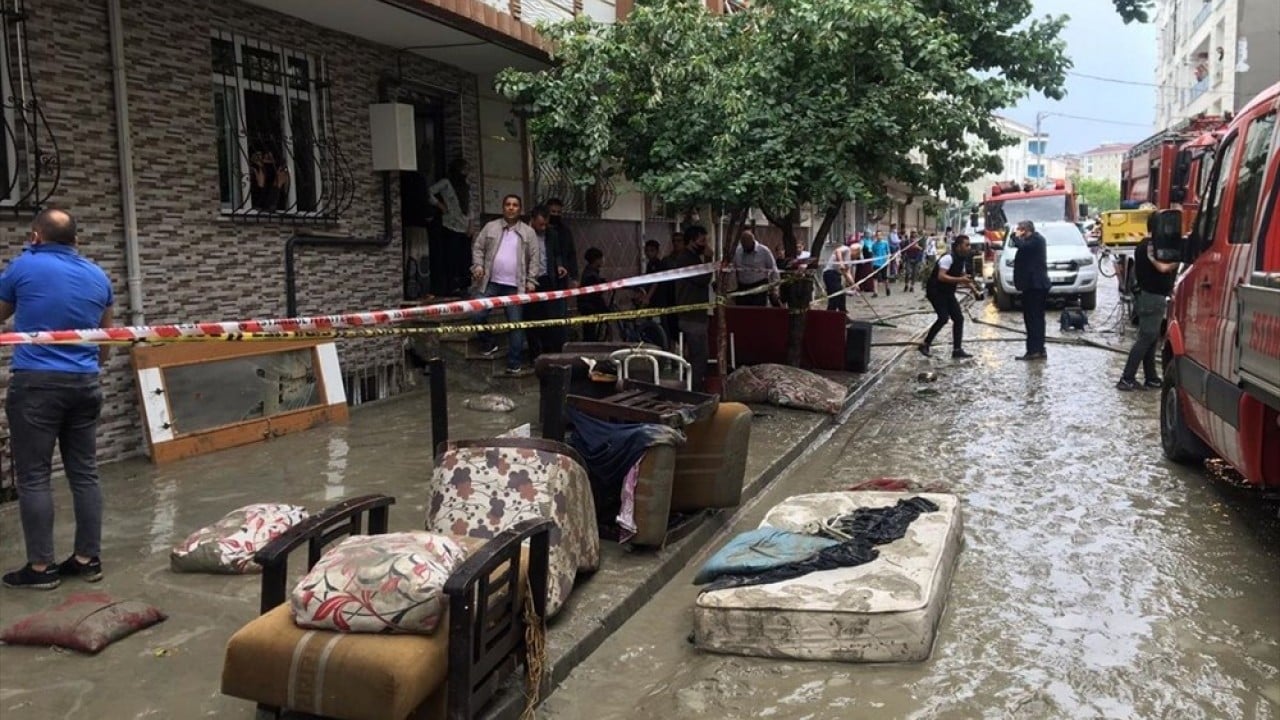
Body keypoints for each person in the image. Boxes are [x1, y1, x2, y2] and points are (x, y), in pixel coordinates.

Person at [1, 209, 113, 589]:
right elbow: (106, 346)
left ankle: (41, 569)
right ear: (76, 241)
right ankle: (86, 560)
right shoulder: (98, 276)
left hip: (36, 386)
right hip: (85, 384)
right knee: (84, 472)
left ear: (35, 237)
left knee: (34, 477)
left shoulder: (22, 267)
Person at [471, 194, 543, 374]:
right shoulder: (491, 227)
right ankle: (488, 343)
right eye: (508, 205)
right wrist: (478, 266)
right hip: (490, 281)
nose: (511, 208)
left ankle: (514, 363)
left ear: (520, 209)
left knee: (515, 324)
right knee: (476, 314)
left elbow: (535, 259)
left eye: (515, 205)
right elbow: (478, 247)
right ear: (503, 208)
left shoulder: (528, 232)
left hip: (515, 286)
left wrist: (531, 281)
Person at [1117, 216, 1178, 391]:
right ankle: (1127, 378)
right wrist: (1179, 260)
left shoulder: (1142, 245)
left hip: (1148, 297)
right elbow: (1162, 268)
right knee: (1146, 338)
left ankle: (1151, 377)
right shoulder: (1151, 246)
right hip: (1152, 298)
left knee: (1151, 339)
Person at [526, 205, 577, 356]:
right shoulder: (523, 234)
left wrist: (559, 265)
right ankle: (535, 353)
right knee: (532, 319)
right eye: (540, 224)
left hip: (547, 279)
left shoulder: (552, 234)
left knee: (550, 318)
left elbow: (557, 253)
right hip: (529, 281)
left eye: (545, 224)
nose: (543, 227)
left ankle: (550, 352)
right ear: (533, 220)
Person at [919, 234, 978, 360]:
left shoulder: (960, 259)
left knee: (959, 318)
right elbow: (941, 276)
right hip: (936, 291)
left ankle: (957, 349)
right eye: (966, 245)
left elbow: (963, 276)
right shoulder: (948, 258)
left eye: (969, 245)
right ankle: (925, 344)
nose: (969, 247)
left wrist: (975, 291)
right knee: (943, 318)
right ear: (958, 246)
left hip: (948, 292)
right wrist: (960, 279)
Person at [672, 226, 713, 391]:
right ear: (691, 241)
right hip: (691, 316)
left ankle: (692, 384)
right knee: (699, 355)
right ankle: (694, 388)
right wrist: (709, 260)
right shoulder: (687, 260)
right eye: (702, 240)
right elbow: (703, 279)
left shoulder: (693, 258)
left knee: (699, 354)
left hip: (696, 314)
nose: (705, 244)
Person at [429, 158, 474, 296]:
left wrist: (471, 225)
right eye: (464, 169)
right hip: (450, 225)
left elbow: (470, 206)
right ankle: (451, 287)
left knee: (465, 258)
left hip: (464, 225)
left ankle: (464, 286)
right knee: (451, 258)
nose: (466, 173)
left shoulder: (466, 186)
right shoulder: (446, 183)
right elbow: (428, 192)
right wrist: (440, 205)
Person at [1010, 220, 1050, 360]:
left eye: (1020, 230)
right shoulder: (1032, 241)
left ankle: (1035, 350)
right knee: (1033, 318)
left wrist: (1015, 236)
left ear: (1026, 230)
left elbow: (1022, 246)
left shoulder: (1036, 240)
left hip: (1036, 286)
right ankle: (1037, 349)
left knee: (1034, 318)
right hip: (1029, 285)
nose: (1018, 232)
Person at [730, 230, 780, 307]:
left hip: (759, 288)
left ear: (752, 241)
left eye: (747, 246)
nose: (745, 248)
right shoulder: (737, 251)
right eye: (744, 246)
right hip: (742, 288)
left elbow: (774, 270)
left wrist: (775, 289)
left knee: (758, 313)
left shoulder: (764, 251)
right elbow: (731, 269)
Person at [578, 247, 609, 342]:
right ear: (597, 260)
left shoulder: (590, 272)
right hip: (589, 308)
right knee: (590, 333)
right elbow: (594, 295)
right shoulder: (591, 275)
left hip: (587, 307)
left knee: (590, 331)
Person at [823, 235, 857, 313]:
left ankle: (843, 314)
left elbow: (847, 273)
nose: (858, 256)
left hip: (836, 275)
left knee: (841, 296)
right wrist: (841, 263)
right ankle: (830, 315)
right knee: (835, 296)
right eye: (858, 253)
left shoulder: (850, 261)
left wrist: (854, 285)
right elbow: (838, 251)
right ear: (855, 250)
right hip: (830, 273)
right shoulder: (847, 249)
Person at [870, 230, 891, 297]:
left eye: (880, 235)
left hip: (883, 263)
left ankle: (887, 288)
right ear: (876, 236)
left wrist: (888, 260)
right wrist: (872, 262)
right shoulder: (874, 244)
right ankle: (875, 292)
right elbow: (873, 253)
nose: (878, 236)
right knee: (875, 278)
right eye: (877, 235)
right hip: (876, 263)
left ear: (882, 236)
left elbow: (888, 252)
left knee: (885, 278)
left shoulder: (885, 243)